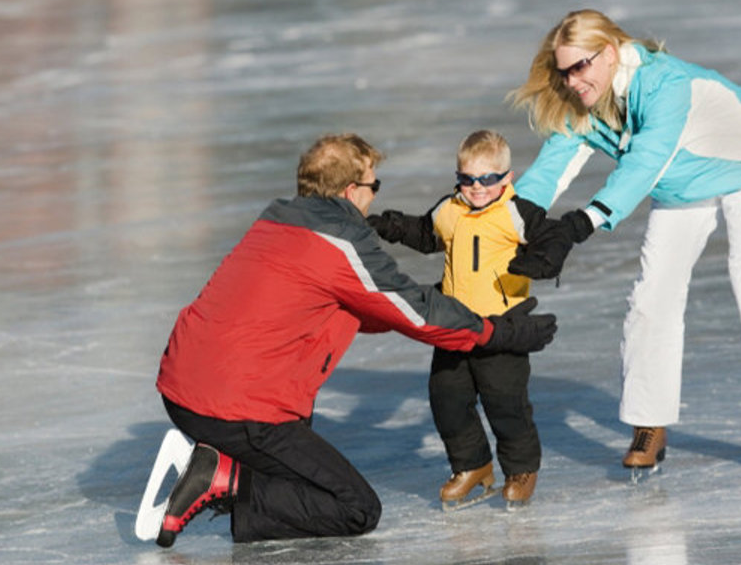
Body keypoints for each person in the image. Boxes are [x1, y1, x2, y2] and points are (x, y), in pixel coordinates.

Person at [151, 133, 558, 547]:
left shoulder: (276, 220)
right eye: (373, 187)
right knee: (355, 507)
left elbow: (365, 307)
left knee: (295, 460)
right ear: (351, 191)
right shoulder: (341, 240)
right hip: (236, 409)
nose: (374, 197)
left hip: (181, 390)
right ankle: (224, 476)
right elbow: (415, 314)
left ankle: (224, 468)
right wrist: (497, 331)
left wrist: (443, 303)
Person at [506, 9, 741, 477]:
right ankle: (648, 425)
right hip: (682, 183)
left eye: (580, 67)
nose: (571, 81)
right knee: (652, 298)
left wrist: (578, 226)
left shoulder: (666, 85)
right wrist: (505, 225)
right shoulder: (584, 99)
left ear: (609, 54)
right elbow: (551, 169)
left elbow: (643, 163)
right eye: (563, 71)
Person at [366, 130, 572, 510]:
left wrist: (544, 261)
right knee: (447, 399)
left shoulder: (516, 212)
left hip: (502, 329)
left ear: (506, 178)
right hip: (453, 325)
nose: (476, 188)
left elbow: (554, 237)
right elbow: (425, 233)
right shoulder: (450, 208)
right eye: (467, 179)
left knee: (505, 402)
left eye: (487, 179)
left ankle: (521, 469)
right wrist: (388, 225)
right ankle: (472, 465)